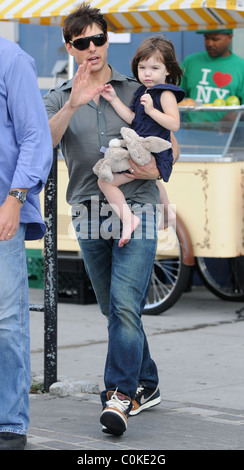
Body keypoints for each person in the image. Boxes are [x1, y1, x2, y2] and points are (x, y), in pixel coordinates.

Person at [44, 3, 179, 436]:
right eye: (82, 42)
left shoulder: (137, 87)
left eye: (98, 39)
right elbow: (40, 143)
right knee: (114, 308)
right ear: (70, 46)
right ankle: (149, 381)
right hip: (87, 210)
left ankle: (120, 395)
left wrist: (154, 172)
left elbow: (172, 149)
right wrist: (73, 105)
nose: (92, 48)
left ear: (107, 40)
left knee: (124, 305)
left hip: (137, 205)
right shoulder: (59, 96)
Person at [0, 37, 53, 450]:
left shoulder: (12, 58)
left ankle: (10, 423)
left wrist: (15, 199)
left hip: (2, 208)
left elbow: (36, 136)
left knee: (6, 321)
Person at [98, 36, 184, 247]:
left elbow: (174, 124)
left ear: (168, 70)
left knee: (104, 181)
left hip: (153, 151)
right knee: (153, 180)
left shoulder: (165, 94)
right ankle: (168, 213)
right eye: (142, 67)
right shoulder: (142, 92)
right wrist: (114, 99)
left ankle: (129, 219)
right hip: (144, 150)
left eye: (154, 67)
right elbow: (134, 120)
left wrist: (152, 110)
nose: (147, 73)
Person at [180, 29, 244, 122]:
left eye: (215, 39)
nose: (209, 43)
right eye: (206, 38)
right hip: (191, 129)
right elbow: (175, 94)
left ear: (230, 37)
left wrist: (236, 115)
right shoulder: (190, 62)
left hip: (227, 132)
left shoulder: (241, 66)